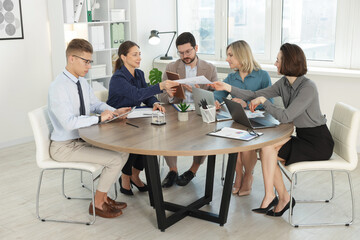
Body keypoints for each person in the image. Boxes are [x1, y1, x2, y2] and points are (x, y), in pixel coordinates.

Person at [211, 43, 334, 217]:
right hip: (303, 137)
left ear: (289, 62)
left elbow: (285, 117)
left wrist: (265, 102)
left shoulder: (308, 87)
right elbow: (255, 94)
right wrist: (228, 88)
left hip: (318, 143)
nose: (275, 64)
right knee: (267, 148)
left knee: (269, 150)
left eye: (278, 60)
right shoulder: (284, 83)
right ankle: (274, 196)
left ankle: (280, 197)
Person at [48, 38, 131, 218]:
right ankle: (98, 204)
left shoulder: (81, 82)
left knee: (123, 151)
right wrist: (98, 119)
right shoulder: (58, 87)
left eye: (90, 62)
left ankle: (104, 197)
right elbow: (69, 123)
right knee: (115, 160)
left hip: (82, 140)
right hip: (65, 146)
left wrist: (114, 112)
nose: (89, 66)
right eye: (86, 61)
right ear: (71, 59)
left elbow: (95, 105)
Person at [107, 40, 179, 195]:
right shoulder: (118, 78)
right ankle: (126, 178)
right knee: (136, 141)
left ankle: (135, 175)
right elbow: (136, 94)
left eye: (140, 54)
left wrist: (154, 103)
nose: (139, 58)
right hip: (116, 122)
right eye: (134, 55)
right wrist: (161, 85)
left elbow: (146, 95)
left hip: (132, 119)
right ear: (123, 57)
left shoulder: (139, 73)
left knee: (148, 140)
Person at [213, 40, 272, 197]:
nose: (227, 59)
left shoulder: (262, 76)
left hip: (258, 123)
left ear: (242, 55)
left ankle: (247, 176)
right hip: (238, 122)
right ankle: (239, 175)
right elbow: (217, 95)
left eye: (231, 55)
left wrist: (246, 104)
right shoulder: (231, 78)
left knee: (245, 145)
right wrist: (214, 100)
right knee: (234, 143)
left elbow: (269, 103)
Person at [159, 32, 218, 188]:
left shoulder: (210, 68)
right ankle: (173, 170)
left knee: (205, 137)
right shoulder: (172, 67)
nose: (184, 55)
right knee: (166, 133)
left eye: (188, 52)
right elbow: (162, 96)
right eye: (181, 52)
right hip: (177, 112)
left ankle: (193, 170)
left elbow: (216, 96)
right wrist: (171, 95)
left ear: (196, 48)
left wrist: (196, 92)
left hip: (200, 113)